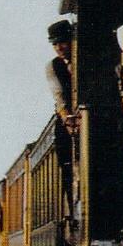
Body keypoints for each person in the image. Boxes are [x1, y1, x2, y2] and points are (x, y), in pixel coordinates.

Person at [46, 20, 77, 225]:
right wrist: (68, 121)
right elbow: (59, 97)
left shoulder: (86, 60)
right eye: (55, 44)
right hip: (68, 119)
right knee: (66, 162)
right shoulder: (52, 67)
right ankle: (72, 210)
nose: (59, 48)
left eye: (62, 43)